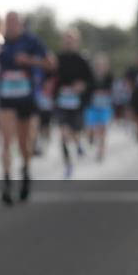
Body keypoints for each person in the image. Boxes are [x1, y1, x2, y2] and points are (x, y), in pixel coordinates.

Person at [0, 11, 52, 204]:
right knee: (6, 140)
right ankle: (7, 181)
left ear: (20, 24)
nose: (11, 25)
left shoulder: (31, 41)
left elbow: (50, 63)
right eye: (8, 22)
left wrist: (29, 61)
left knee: (24, 143)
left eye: (14, 22)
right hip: (6, 97)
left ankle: (26, 172)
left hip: (26, 98)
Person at [53, 29, 94, 179]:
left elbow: (91, 81)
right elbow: (51, 77)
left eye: (71, 40)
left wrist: (82, 86)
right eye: (66, 39)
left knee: (75, 133)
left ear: (76, 42)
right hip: (62, 102)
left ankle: (78, 145)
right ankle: (68, 164)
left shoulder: (82, 60)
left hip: (77, 103)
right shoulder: (57, 59)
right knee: (63, 134)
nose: (68, 42)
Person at [84, 53, 114, 163]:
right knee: (91, 128)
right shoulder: (90, 77)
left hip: (104, 107)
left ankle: (101, 151)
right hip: (92, 107)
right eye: (98, 65)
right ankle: (91, 137)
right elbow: (87, 91)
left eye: (102, 65)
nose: (100, 68)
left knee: (102, 129)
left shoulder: (109, 77)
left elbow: (111, 91)